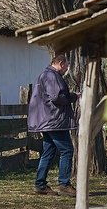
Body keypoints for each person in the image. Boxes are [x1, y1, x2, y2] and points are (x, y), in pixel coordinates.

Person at [27, 53, 79, 196]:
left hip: (47, 120)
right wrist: (72, 97)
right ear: (61, 63)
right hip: (54, 120)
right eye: (67, 65)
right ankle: (64, 184)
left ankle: (40, 184)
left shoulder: (44, 75)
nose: (67, 68)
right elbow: (56, 97)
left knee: (48, 152)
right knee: (67, 150)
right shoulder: (51, 76)